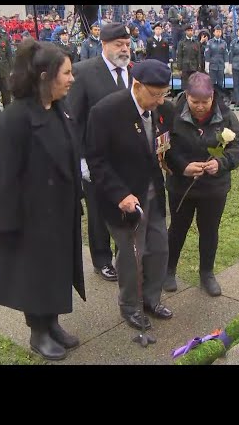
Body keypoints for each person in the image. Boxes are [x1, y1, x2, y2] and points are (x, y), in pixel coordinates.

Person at [0, 39, 85, 361]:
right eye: (66, 73)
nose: (72, 79)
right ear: (45, 76)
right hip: (30, 219)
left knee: (56, 271)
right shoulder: (15, 119)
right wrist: (6, 226)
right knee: (36, 274)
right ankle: (38, 332)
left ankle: (52, 323)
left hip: (58, 213)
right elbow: (3, 179)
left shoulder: (60, 109)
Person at [85, 60, 174, 330]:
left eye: (164, 94)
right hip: (122, 201)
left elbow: (167, 146)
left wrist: (179, 164)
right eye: (155, 94)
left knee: (159, 249)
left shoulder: (163, 110)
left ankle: (150, 299)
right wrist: (120, 194)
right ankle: (130, 307)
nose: (160, 101)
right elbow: (96, 161)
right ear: (137, 86)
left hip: (153, 194)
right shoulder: (106, 111)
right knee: (131, 256)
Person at [163, 72, 239, 295]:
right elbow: (165, 147)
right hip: (182, 185)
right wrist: (183, 167)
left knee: (209, 230)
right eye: (194, 102)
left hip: (214, 186)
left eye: (205, 102)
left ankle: (207, 273)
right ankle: (168, 270)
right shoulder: (172, 113)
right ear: (186, 96)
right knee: (177, 228)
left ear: (212, 97)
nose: (200, 107)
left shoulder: (226, 115)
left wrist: (221, 163)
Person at [68, 22, 135, 282]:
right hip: (95, 158)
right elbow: (75, 119)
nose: (124, 49)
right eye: (119, 44)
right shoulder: (84, 72)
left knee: (125, 205)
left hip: (126, 158)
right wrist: (81, 160)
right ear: (104, 45)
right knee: (98, 212)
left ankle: (124, 254)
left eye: (127, 45)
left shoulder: (133, 71)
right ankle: (101, 259)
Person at [176, 24, 200, 90]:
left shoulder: (196, 43)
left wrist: (198, 68)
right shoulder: (182, 43)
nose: (190, 32)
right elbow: (179, 56)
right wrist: (179, 68)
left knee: (194, 86)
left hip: (194, 67)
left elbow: (198, 56)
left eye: (191, 30)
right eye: (188, 30)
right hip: (185, 67)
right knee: (185, 86)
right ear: (185, 32)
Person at [204, 25, 228, 89]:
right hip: (212, 66)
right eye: (217, 31)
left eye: (220, 32)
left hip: (221, 66)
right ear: (214, 33)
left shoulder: (224, 43)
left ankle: (219, 98)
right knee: (212, 85)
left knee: (220, 84)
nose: (218, 33)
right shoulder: (210, 42)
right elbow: (207, 54)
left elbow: (225, 54)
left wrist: (226, 65)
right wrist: (207, 65)